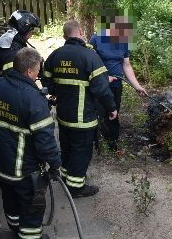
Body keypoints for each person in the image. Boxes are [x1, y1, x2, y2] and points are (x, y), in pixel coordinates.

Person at [0, 47, 62, 239]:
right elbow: (45, 141)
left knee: (9, 199)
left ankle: (16, 229)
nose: (38, 74)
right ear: (29, 72)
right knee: (32, 203)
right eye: (37, 71)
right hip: (23, 167)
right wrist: (55, 164)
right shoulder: (34, 100)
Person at [42, 20, 117, 197]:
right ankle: (76, 187)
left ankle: (68, 179)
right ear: (81, 32)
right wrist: (112, 108)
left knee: (67, 148)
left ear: (64, 35)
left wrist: (58, 91)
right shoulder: (90, 57)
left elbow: (47, 82)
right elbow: (102, 89)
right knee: (81, 151)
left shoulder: (55, 56)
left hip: (63, 115)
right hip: (83, 117)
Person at [89, 14, 148, 151]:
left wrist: (137, 86)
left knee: (114, 112)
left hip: (116, 85)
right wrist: (104, 77)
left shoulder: (123, 41)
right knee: (98, 112)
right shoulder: (96, 39)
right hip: (100, 85)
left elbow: (126, 65)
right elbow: (89, 62)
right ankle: (94, 141)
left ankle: (112, 142)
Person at [0, 10, 41, 75]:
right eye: (31, 31)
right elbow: (15, 78)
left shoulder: (8, 41)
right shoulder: (12, 51)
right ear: (24, 29)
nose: (31, 35)